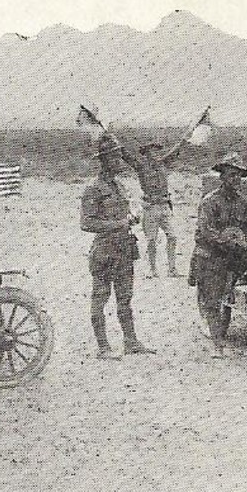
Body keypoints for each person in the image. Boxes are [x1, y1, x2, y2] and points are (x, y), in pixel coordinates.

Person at [80, 135, 155, 359]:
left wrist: (133, 216)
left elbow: (127, 212)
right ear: (104, 161)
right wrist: (120, 223)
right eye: (114, 158)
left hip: (124, 249)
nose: (119, 162)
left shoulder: (120, 186)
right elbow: (86, 223)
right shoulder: (93, 189)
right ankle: (103, 347)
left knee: (125, 298)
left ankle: (131, 342)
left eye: (119, 157)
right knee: (100, 298)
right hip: (104, 251)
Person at [193, 152, 247, 357]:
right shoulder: (210, 201)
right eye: (230, 175)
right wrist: (227, 240)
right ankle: (217, 345)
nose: (235, 179)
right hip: (212, 254)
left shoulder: (241, 201)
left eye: (238, 175)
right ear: (222, 177)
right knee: (213, 299)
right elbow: (205, 231)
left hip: (234, 253)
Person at [122, 137, 188, 277]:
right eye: (153, 150)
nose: (156, 153)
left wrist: (192, 131)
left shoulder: (163, 164)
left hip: (164, 206)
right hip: (150, 207)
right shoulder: (140, 166)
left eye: (157, 150)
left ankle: (172, 269)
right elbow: (125, 155)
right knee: (151, 240)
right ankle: (152, 270)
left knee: (172, 237)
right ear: (146, 153)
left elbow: (177, 149)